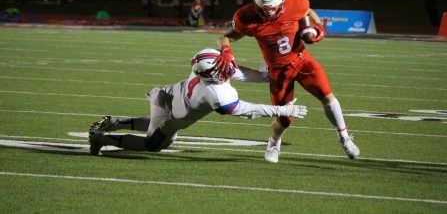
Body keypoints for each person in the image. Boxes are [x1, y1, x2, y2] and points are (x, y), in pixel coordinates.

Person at [215, 0, 360, 163]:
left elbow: (308, 12)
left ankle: (344, 138)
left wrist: (318, 29)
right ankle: (274, 143)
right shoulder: (246, 16)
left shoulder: (295, 0)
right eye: (263, 9)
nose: (268, 13)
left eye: (272, 8)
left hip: (302, 60)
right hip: (278, 71)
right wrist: (226, 51)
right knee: (284, 119)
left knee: (327, 95)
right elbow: (225, 38)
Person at [88, 48, 307, 156]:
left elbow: (247, 74)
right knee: (155, 145)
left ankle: (113, 122)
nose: (229, 70)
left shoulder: (208, 70)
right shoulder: (216, 94)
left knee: (156, 125)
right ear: (213, 75)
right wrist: (281, 109)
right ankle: (102, 139)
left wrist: (272, 71)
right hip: (171, 112)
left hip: (168, 97)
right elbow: (247, 110)